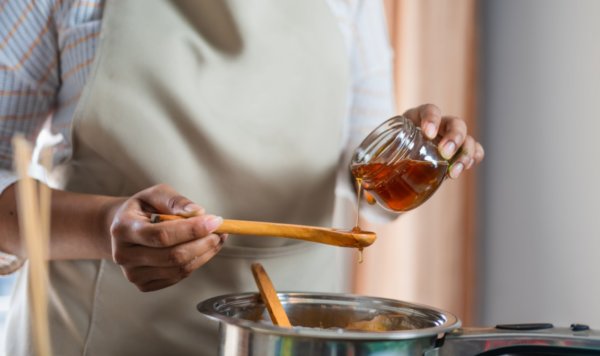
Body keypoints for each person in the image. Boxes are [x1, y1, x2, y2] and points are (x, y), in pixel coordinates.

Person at [0, 0, 484, 355]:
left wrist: (422, 159)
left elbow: (369, 186)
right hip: (99, 335)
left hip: (294, 341)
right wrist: (101, 225)